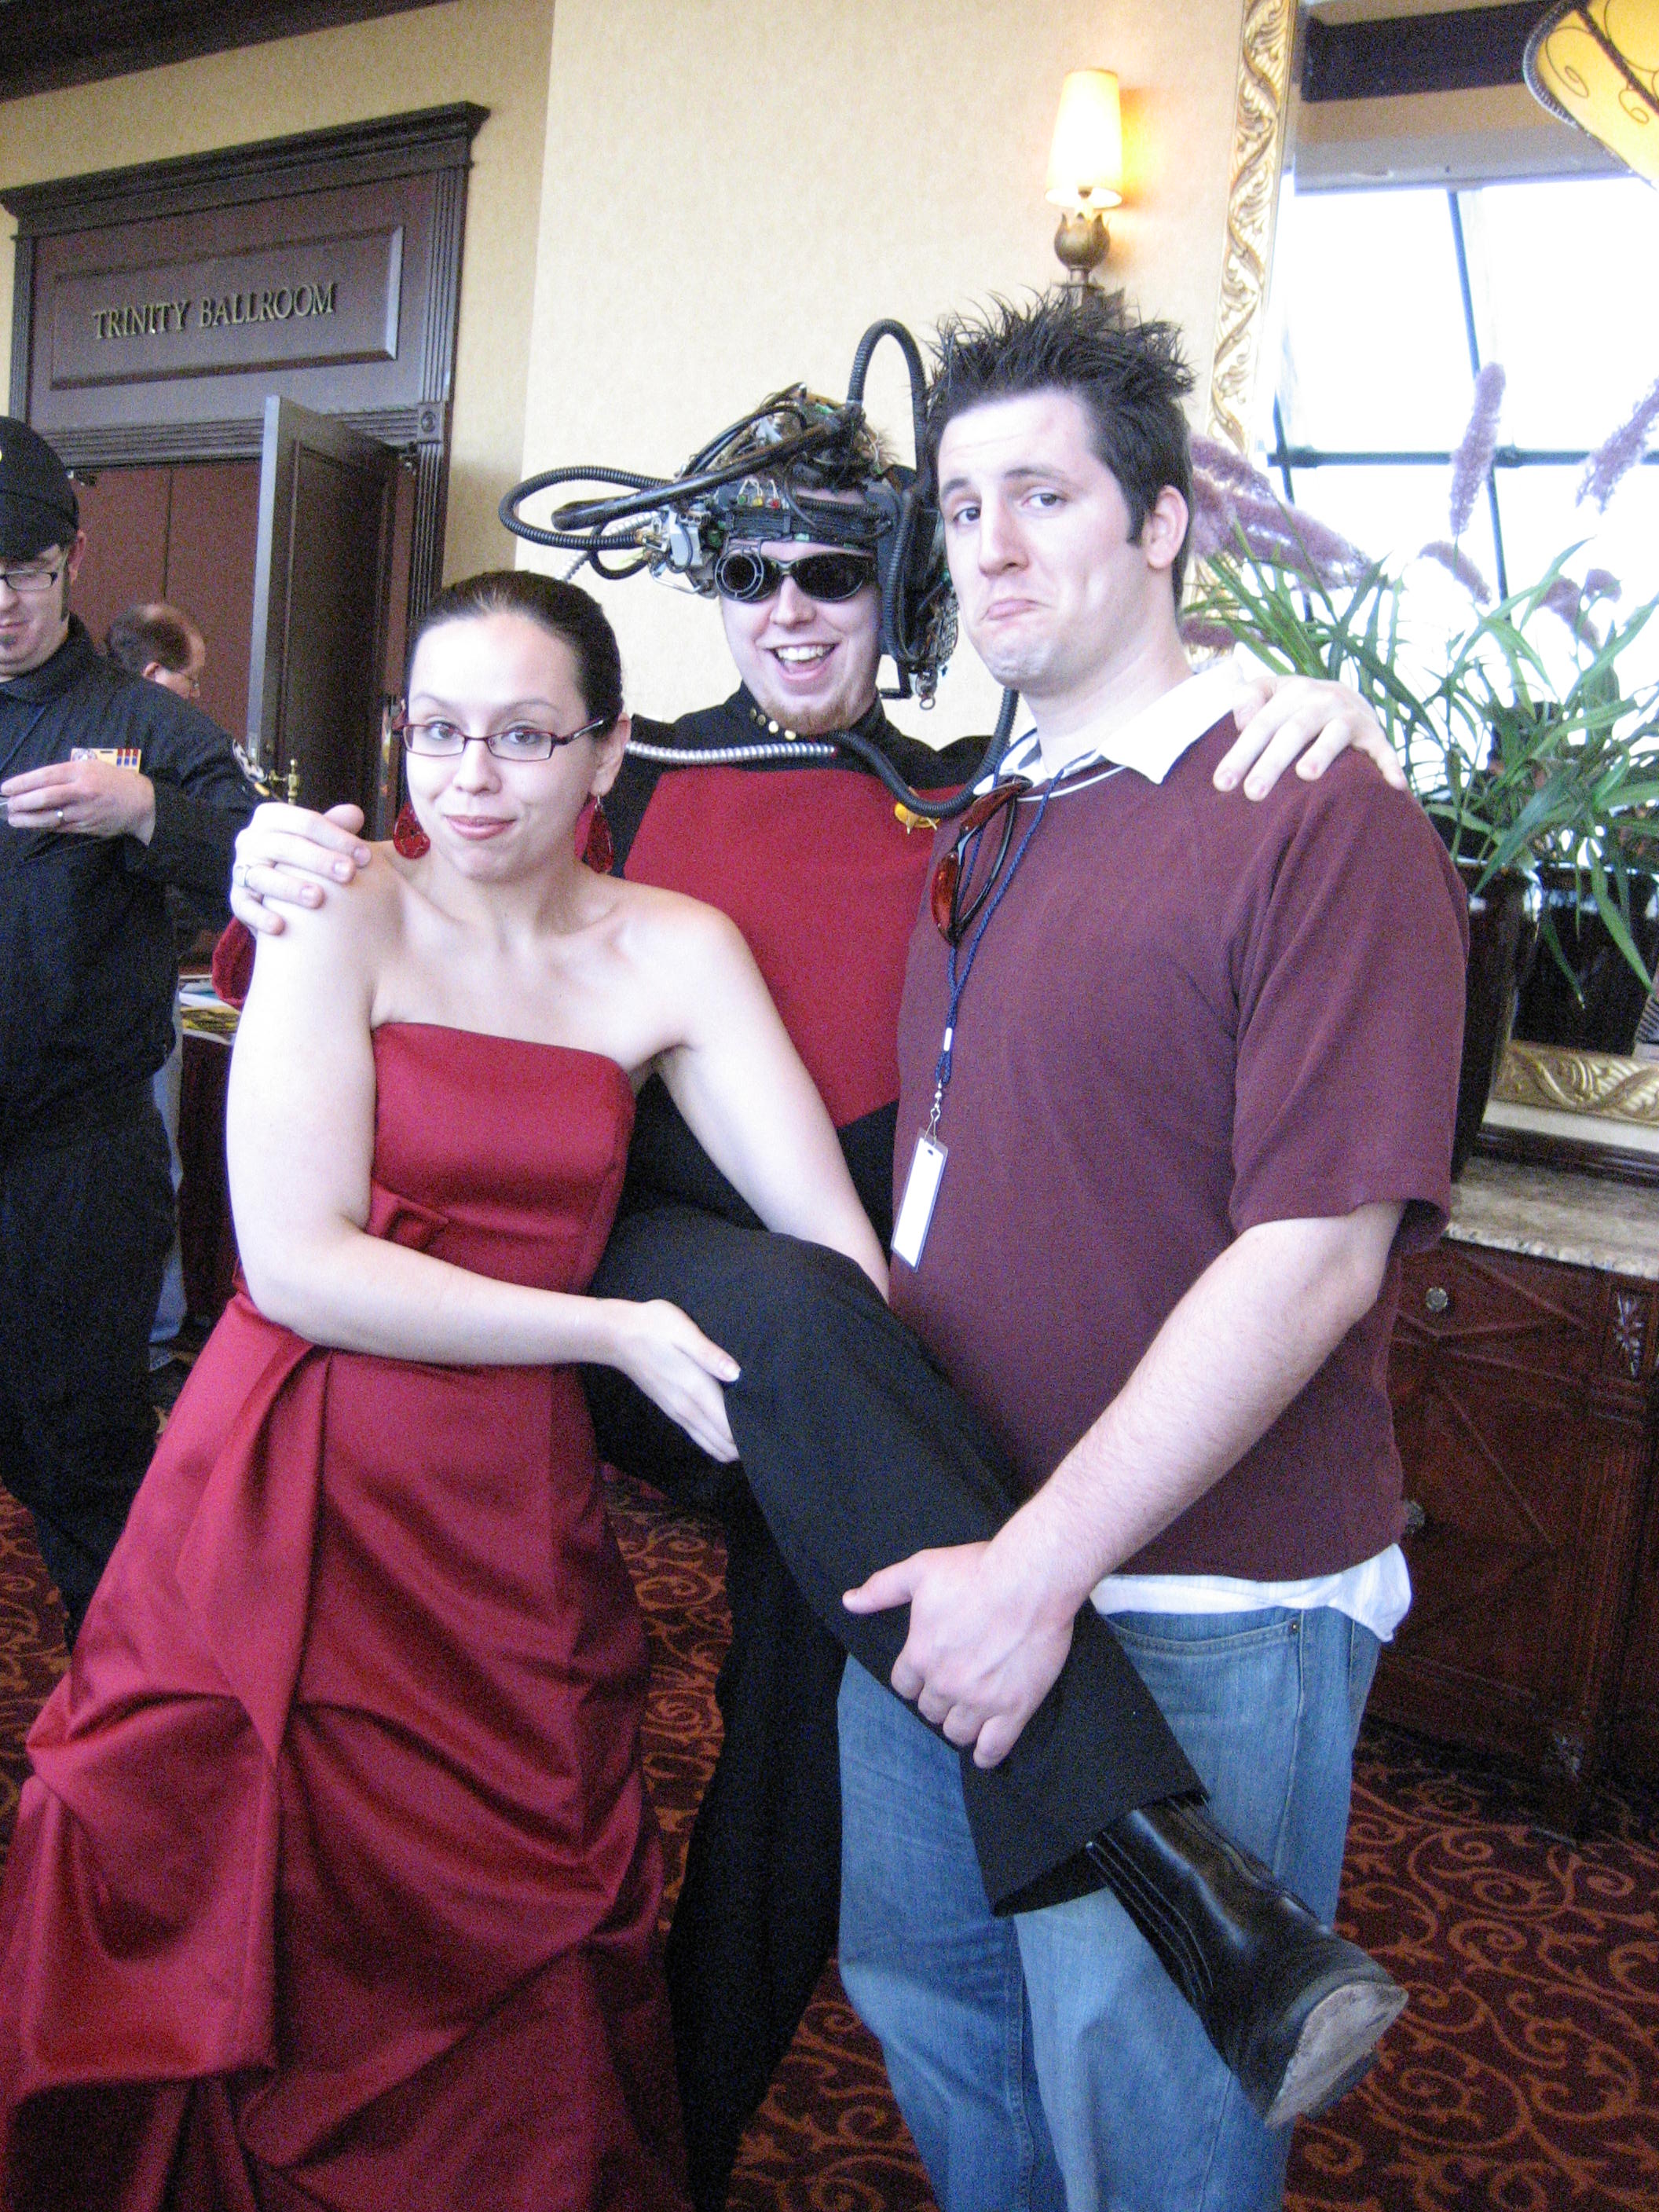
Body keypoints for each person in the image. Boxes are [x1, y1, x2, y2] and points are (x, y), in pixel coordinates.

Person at [221, 390, 1410, 2208]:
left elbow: (1159, 782)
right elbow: (400, 909)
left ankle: (675, 2141)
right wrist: (263, 858)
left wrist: (1314, 712)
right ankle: (1165, 1861)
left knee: (814, 1773)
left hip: (847, 1355)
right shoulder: (606, 773)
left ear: (894, 588)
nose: (787, 607)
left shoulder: (976, 794)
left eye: (833, 573)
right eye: (750, 570)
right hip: (602, 1282)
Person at [0, 569, 892, 2210]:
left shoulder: (676, 950)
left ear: (609, 750)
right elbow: (295, 1266)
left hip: (498, 1503)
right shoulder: (337, 904)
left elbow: (839, 1258)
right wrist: (608, 1331)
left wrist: (895, 1427)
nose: (473, 777)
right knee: (242, 1886)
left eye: (527, 737)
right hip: (295, 1472)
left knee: (510, 1914)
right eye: (440, 732)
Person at [824, 294, 1469, 2210]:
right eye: (960, 506)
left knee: (1151, 2115)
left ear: (1164, 519)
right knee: (947, 2034)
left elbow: (1314, 1256)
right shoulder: (998, 804)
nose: (991, 546)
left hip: (1188, 1607)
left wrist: (1040, 1572)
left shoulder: (1314, 811)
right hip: (956, 1555)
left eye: (1045, 495)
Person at [0, 420, 257, 1642]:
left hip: (74, 1167)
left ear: (74, 558)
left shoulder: (145, 727)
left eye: (25, 572)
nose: (1, 603)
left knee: (84, 1457)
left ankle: (137, 1709)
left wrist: (150, 810)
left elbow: (260, 876)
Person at [104, 602, 216, 1397]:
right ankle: (150, 1342)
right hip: (136, 991)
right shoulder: (154, 753)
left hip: (136, 988)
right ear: (153, 675)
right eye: (191, 677)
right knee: (154, 1165)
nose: (197, 694)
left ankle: (147, 1339)